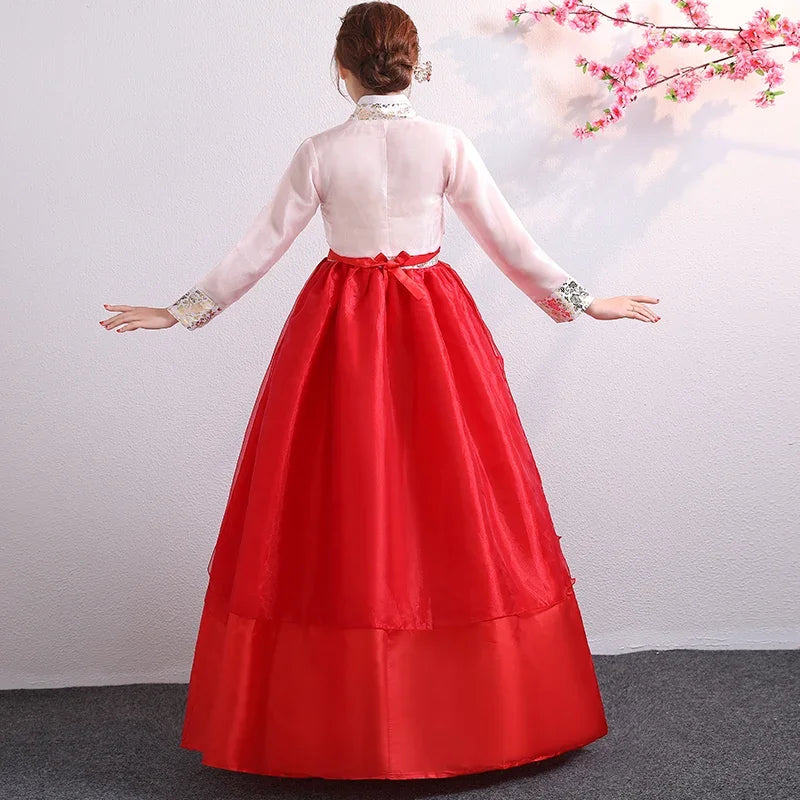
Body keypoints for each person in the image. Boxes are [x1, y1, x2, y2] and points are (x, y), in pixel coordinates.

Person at [99, 1, 659, 781]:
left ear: (342, 68)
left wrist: (183, 310)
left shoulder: (322, 152)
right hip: (435, 328)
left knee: (344, 504)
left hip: (342, 332)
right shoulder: (447, 144)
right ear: (413, 62)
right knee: (454, 500)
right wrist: (581, 296)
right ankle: (473, 712)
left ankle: (345, 714)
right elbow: (507, 239)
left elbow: (259, 246)